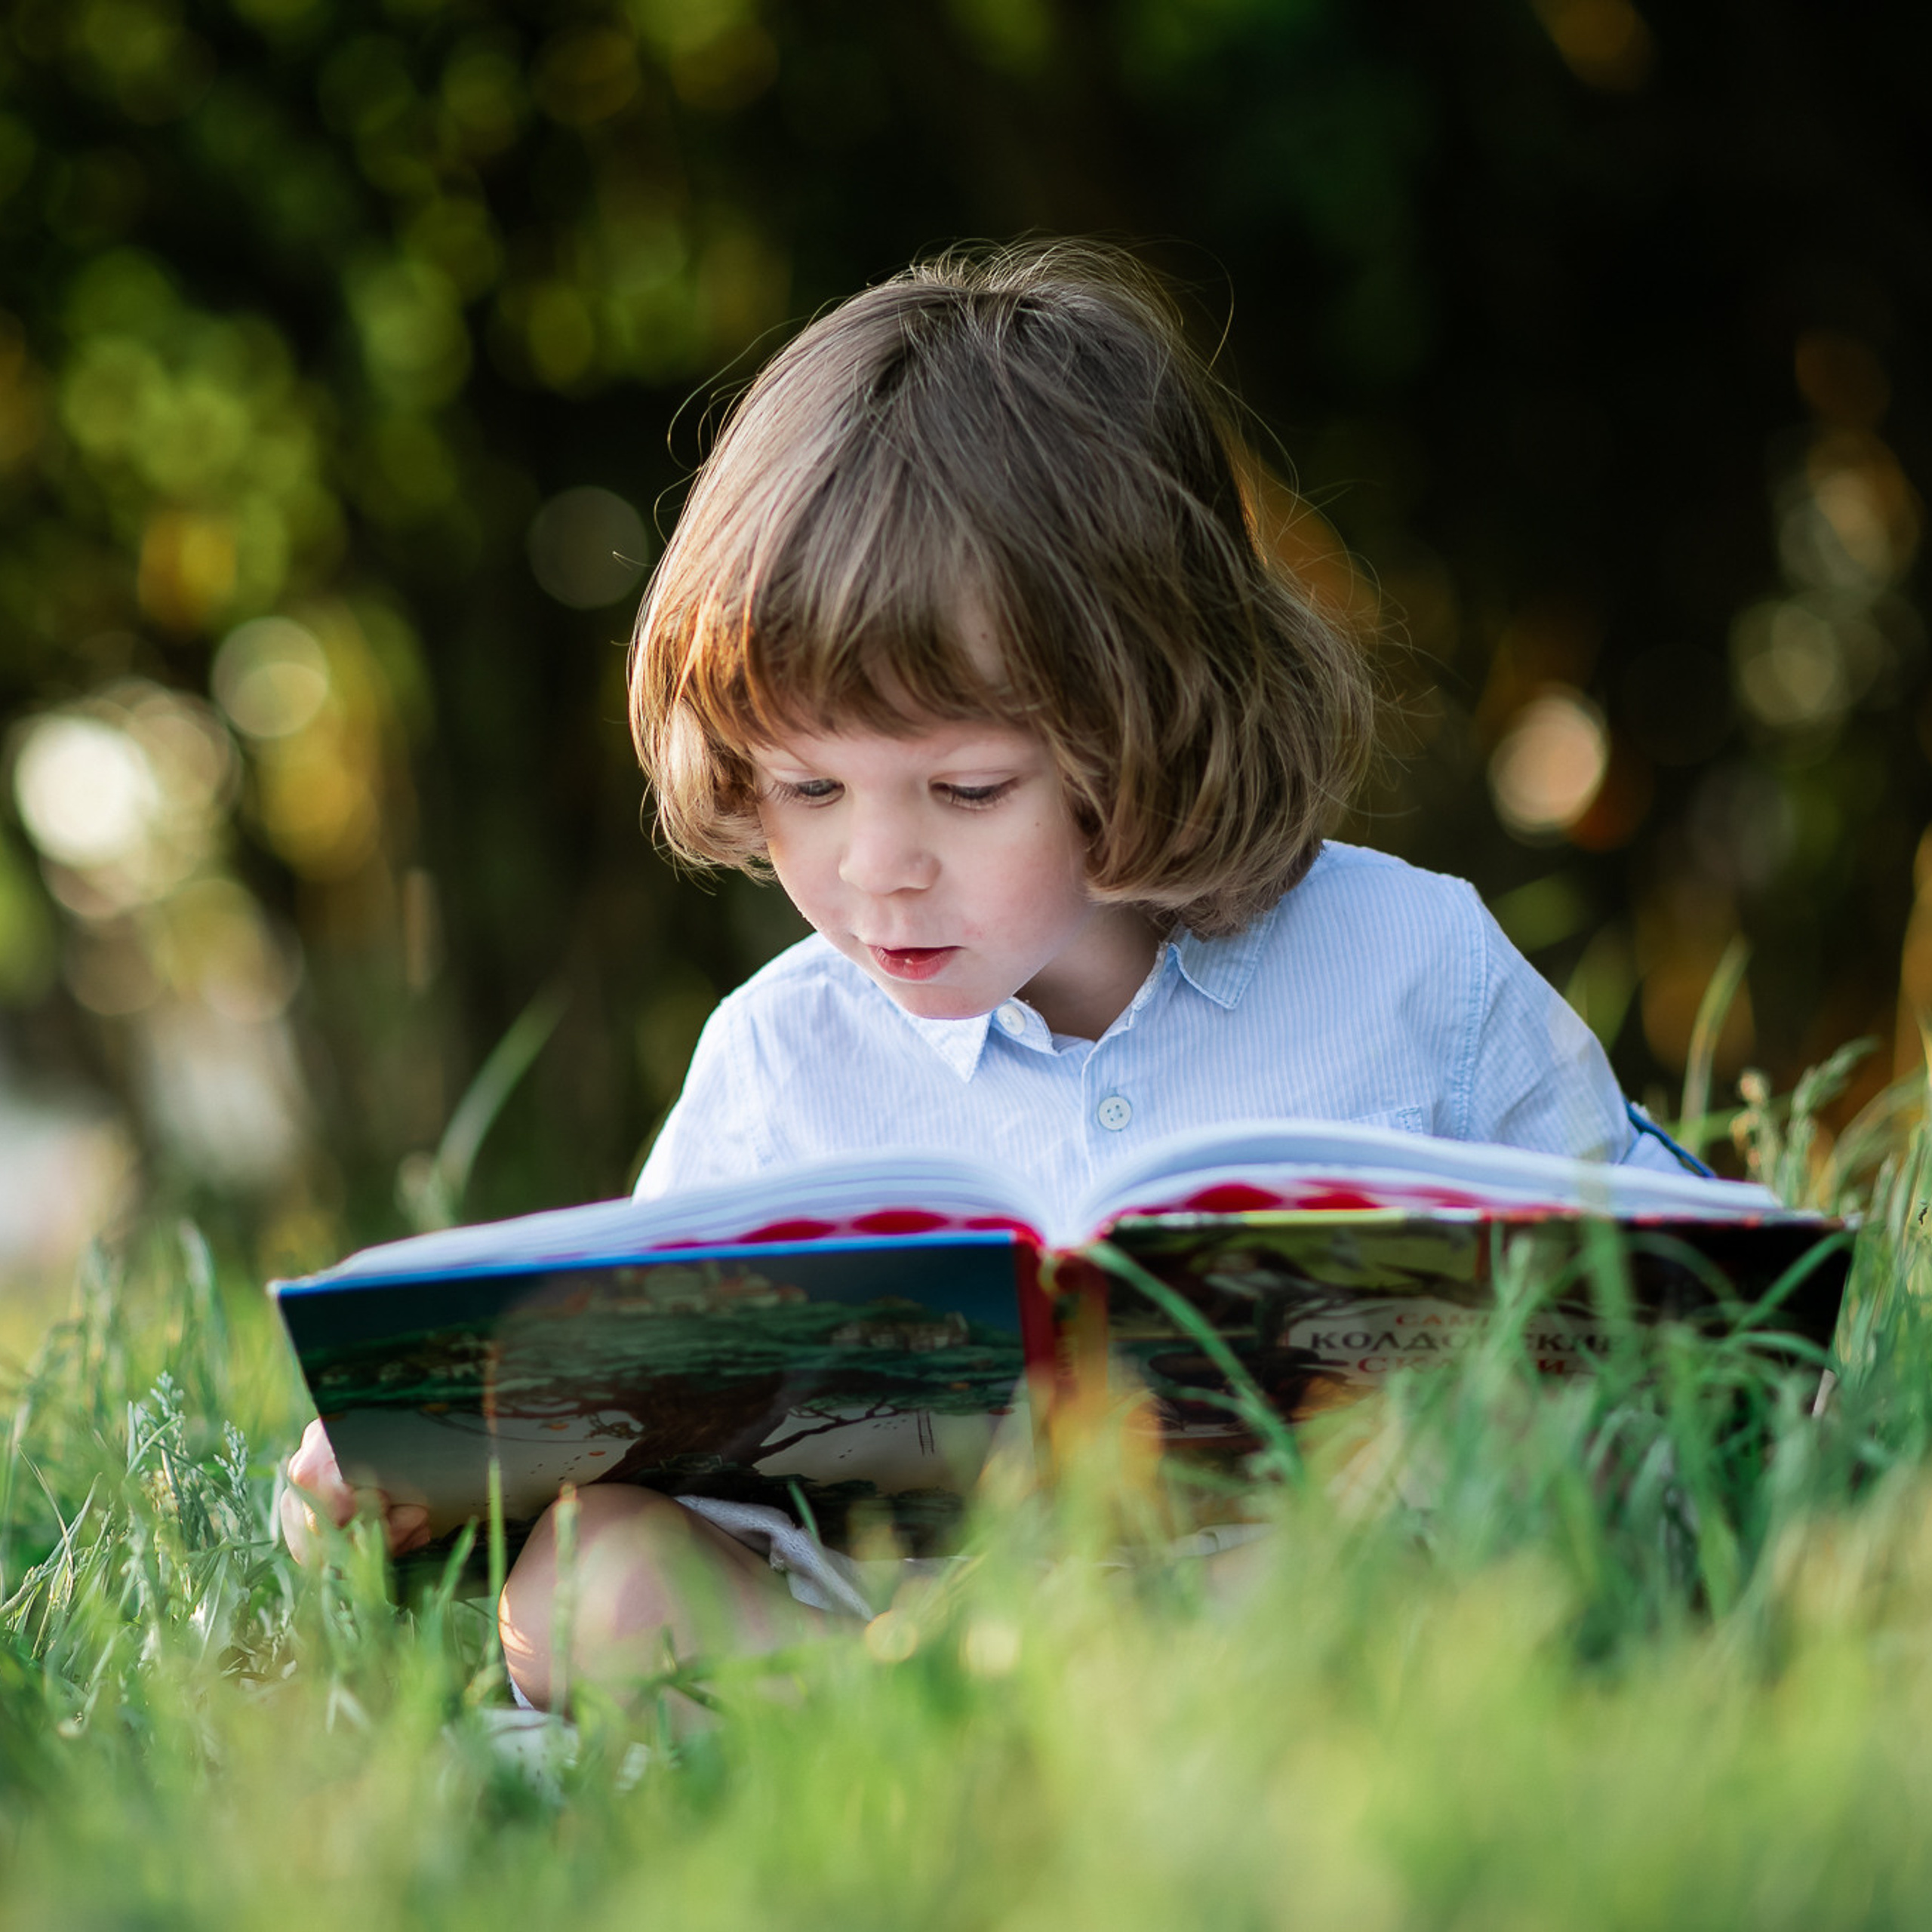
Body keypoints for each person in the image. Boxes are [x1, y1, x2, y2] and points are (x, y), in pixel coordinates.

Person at [281, 238, 1706, 1709]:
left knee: (1459, 1487)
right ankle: (953, 1692)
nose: (874, 866)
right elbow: (653, 1426)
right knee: (588, 1577)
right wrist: (441, 1453)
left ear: (1148, 715)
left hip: (1299, 1569)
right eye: (806, 788)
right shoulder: (776, 1058)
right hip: (885, 1604)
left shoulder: (1415, 965)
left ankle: (1043, 1695)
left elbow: (1660, 1329)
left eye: (963, 789)